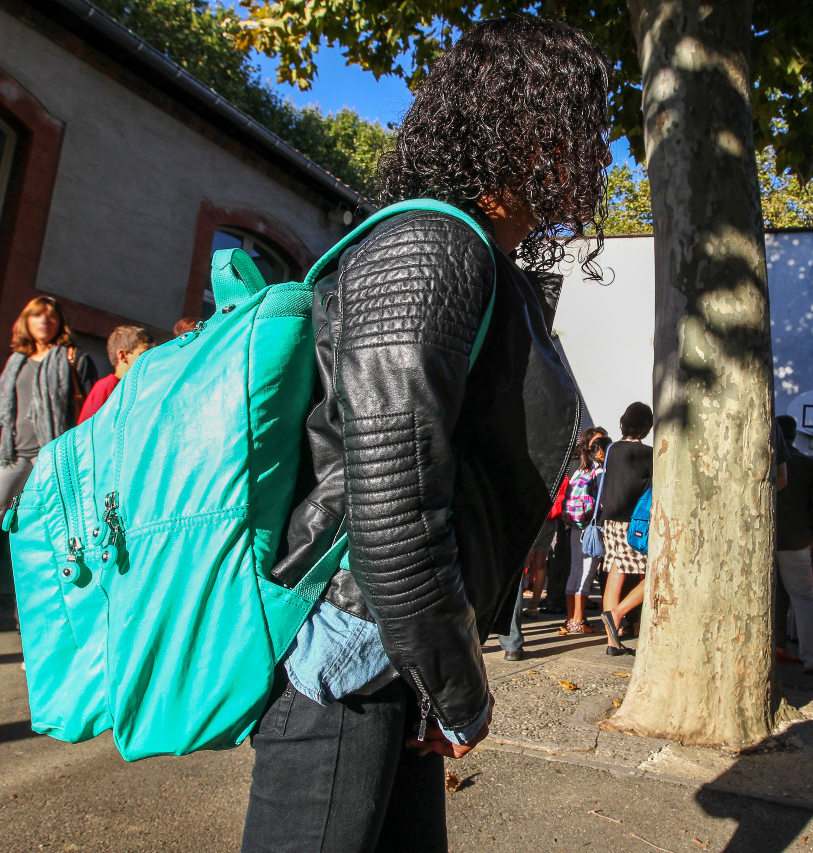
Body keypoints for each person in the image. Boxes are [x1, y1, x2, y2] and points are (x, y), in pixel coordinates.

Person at [241, 18, 611, 851]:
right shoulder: (430, 247)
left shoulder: (476, 259)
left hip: (392, 656)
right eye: (580, 125)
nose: (596, 154)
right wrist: (459, 690)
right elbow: (395, 505)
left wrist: (439, 676)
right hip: (353, 657)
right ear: (523, 124)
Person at [0, 296, 96, 626]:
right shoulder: (15, 361)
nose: (44, 321)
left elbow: (90, 414)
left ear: (60, 322)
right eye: (37, 316)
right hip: (10, 454)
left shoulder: (74, 359)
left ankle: (33, 616)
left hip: (50, 457)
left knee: (44, 532)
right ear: (26, 322)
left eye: (50, 316)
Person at [773, 415, 813, 673]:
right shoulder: (808, 464)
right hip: (798, 539)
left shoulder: (767, 462)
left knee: (774, 597)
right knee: (804, 599)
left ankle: (777, 646)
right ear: (795, 435)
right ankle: (811, 657)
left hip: (769, 537)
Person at [598, 402, 653, 657]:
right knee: (654, 575)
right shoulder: (649, 454)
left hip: (609, 521)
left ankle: (612, 641)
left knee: (615, 576)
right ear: (647, 427)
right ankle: (618, 614)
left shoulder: (611, 450)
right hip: (635, 524)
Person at [563, 433, 611, 634]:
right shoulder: (598, 471)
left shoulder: (578, 469)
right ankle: (578, 620)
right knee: (587, 572)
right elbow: (603, 500)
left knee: (575, 570)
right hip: (593, 527)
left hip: (576, 525)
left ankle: (570, 618)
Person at [78, 326, 155, 423]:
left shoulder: (142, 388)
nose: (150, 360)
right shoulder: (107, 387)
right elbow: (89, 431)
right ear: (122, 356)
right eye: (143, 355)